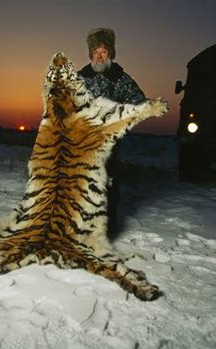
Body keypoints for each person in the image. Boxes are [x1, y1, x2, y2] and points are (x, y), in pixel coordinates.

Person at [77, 28, 147, 238]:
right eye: (96, 52)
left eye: (104, 52)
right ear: (90, 54)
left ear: (111, 54)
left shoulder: (119, 78)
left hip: (109, 142)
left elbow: (140, 103)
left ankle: (106, 232)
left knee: (107, 185)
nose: (100, 56)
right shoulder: (81, 77)